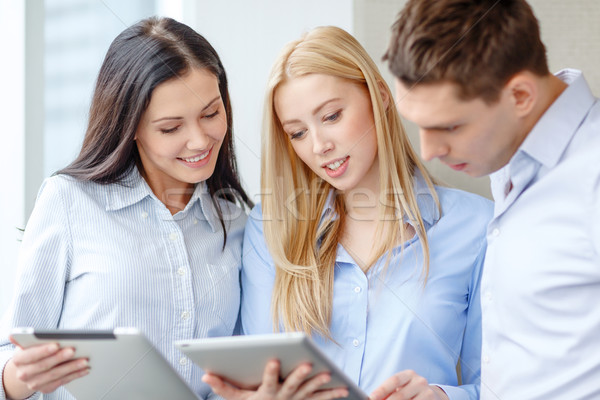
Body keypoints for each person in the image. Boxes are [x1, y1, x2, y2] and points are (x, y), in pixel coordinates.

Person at [204, 26, 492, 400]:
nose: (320, 146)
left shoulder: (475, 226)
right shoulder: (269, 229)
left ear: (380, 96)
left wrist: (443, 396)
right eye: (297, 133)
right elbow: (251, 380)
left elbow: (505, 387)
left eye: (332, 116)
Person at [0, 16, 252, 400]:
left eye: (211, 113)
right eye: (171, 128)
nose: (200, 139)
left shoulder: (233, 218)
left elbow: (229, 374)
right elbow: (13, 351)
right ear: (130, 125)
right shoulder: (68, 201)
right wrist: (16, 379)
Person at [385, 0, 600, 398]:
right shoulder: (509, 157)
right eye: (418, 126)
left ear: (520, 96)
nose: (427, 151)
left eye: (449, 125)